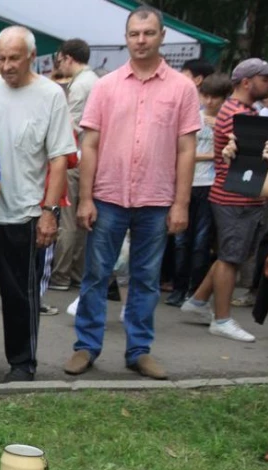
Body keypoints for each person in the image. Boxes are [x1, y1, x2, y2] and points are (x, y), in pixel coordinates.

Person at [63, 6, 200, 379]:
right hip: (108, 197)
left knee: (146, 278)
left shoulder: (182, 88)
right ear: (126, 38)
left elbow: (187, 149)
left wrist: (181, 203)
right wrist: (86, 198)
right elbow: (89, 144)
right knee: (95, 276)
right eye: (135, 34)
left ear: (161, 36)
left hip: (157, 200)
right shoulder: (106, 87)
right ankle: (86, 347)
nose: (141, 40)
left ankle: (138, 350)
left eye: (149, 33)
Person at [0, 26, 76, 382]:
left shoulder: (51, 95)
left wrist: (49, 212)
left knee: (20, 295)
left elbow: (60, 157)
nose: (6, 66)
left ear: (32, 57)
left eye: (14, 58)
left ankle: (21, 363)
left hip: (25, 212)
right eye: (0, 58)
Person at [180, 58, 268, 342]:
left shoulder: (236, 110)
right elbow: (247, 163)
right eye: (264, 79)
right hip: (237, 197)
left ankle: (197, 302)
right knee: (231, 259)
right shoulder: (238, 115)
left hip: (232, 195)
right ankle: (222, 319)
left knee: (230, 255)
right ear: (246, 82)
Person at [167, 74, 232, 307]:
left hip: (211, 185)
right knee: (181, 241)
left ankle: (194, 290)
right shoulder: (193, 117)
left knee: (201, 242)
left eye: (216, 97)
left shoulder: (228, 121)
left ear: (225, 99)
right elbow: (180, 150)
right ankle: (178, 288)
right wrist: (210, 155)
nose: (211, 102)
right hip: (188, 183)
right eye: (206, 96)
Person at [49, 38, 99, 293]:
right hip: (90, 158)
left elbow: (72, 125)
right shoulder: (97, 81)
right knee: (82, 221)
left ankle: (60, 274)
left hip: (75, 156)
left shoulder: (80, 86)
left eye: (60, 61)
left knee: (67, 218)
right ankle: (77, 271)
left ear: (68, 58)